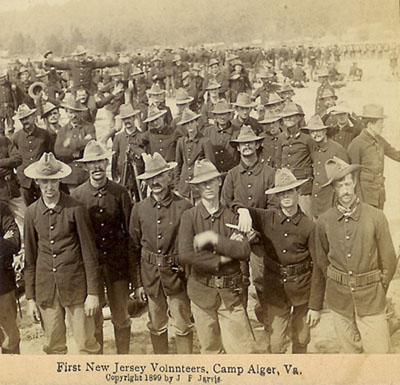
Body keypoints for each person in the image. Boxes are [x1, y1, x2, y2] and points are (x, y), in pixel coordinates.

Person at [314, 157, 397, 353]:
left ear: (355, 184)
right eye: (340, 185)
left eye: (348, 184)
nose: (345, 190)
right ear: (333, 189)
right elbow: (322, 260)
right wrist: (337, 282)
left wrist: (375, 285)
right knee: (351, 357)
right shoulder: (324, 222)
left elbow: (389, 261)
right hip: (339, 300)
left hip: (371, 298)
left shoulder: (375, 217)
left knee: (379, 355)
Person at [236, 168, 324, 353]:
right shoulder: (268, 218)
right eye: (281, 192)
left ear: (298, 192)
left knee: (301, 337)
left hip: (302, 289)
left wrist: (315, 305)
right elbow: (237, 204)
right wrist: (243, 211)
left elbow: (318, 267)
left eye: (290, 191)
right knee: (276, 343)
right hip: (276, 290)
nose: (286, 196)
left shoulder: (309, 226)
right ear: (276, 196)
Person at [24, 152, 101, 354]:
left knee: (86, 344)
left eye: (53, 182)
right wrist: (30, 298)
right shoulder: (32, 213)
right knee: (53, 346)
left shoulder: (75, 208)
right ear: (37, 182)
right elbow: (30, 260)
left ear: (59, 180)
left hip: (76, 287)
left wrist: (92, 293)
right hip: (46, 289)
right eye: (44, 182)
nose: (49, 187)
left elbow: (89, 253)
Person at [179, 159, 256, 354]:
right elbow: (186, 254)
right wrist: (222, 258)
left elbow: (244, 251)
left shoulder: (232, 215)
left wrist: (213, 239)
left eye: (212, 181)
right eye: (203, 183)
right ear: (196, 188)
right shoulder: (190, 216)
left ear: (219, 182)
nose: (208, 186)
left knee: (243, 352)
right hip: (201, 294)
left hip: (230, 295)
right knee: (211, 350)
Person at [72, 141, 136, 354]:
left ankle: (122, 359)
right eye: (92, 163)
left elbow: (130, 234)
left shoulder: (120, 192)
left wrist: (133, 275)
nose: (96, 167)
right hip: (93, 270)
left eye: (100, 161)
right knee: (95, 318)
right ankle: (99, 364)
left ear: (107, 162)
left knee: (121, 316)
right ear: (86, 167)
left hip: (117, 267)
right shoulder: (78, 196)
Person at [129, 153, 193, 354]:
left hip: (177, 276)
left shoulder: (184, 207)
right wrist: (138, 282)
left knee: (182, 324)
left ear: (169, 177)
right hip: (151, 277)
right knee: (156, 324)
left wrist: (190, 278)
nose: (155, 182)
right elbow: (134, 249)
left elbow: (192, 247)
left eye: (159, 176)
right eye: (150, 178)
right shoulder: (139, 209)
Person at [348, 104, 400, 210]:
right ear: (370, 124)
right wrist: (358, 199)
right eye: (381, 123)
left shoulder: (380, 140)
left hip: (379, 195)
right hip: (365, 197)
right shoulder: (357, 143)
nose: (383, 126)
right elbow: (353, 175)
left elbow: (396, 155)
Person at [301, 115, 348, 218]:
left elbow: (346, 176)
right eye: (312, 132)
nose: (315, 134)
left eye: (318, 131)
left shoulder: (337, 149)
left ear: (325, 131)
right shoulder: (314, 149)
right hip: (317, 199)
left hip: (331, 200)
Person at [276, 102, 313, 218]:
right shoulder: (281, 138)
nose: (289, 119)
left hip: (303, 187)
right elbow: (278, 161)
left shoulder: (307, 138)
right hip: (287, 186)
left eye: (292, 116)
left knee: (306, 217)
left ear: (298, 118)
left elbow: (314, 160)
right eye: (286, 117)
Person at [10, 104, 52, 206]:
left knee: (45, 204)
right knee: (28, 207)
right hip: (24, 179)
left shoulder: (44, 134)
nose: (25, 121)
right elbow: (14, 157)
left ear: (33, 117)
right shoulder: (16, 137)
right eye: (22, 119)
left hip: (41, 176)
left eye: (27, 118)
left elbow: (51, 153)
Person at [54, 97, 96, 193]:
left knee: (89, 198)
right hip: (70, 172)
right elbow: (59, 151)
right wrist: (77, 151)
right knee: (74, 200)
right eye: (71, 112)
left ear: (81, 113)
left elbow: (91, 144)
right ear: (67, 113)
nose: (73, 115)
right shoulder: (63, 131)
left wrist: (71, 143)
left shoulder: (89, 127)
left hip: (86, 171)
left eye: (76, 112)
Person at [175, 109, 214, 199]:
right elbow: (178, 165)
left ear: (196, 122)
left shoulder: (205, 141)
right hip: (184, 187)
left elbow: (210, 166)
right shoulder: (181, 142)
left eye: (192, 122)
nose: (190, 125)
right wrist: (177, 185)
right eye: (187, 123)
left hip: (199, 186)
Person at [0, 202, 21, 354]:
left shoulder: (2, 208)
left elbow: (14, 243)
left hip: (3, 285)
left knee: (10, 338)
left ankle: (13, 376)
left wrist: (7, 240)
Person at [203, 99, 240, 173]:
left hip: (232, 173)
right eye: (219, 114)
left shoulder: (237, 131)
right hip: (213, 174)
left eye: (224, 114)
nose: (222, 117)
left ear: (229, 115)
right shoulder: (208, 132)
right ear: (215, 116)